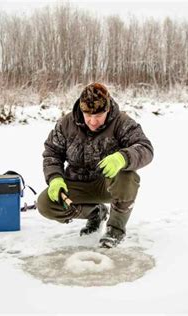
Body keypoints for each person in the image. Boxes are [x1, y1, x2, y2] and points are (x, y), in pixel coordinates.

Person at [38, 82, 154, 248]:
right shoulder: (66, 123)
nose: (93, 121)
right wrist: (55, 178)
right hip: (77, 183)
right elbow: (52, 153)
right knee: (45, 204)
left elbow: (145, 148)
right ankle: (95, 213)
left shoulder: (122, 122)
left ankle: (115, 230)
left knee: (128, 176)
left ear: (107, 109)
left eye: (98, 116)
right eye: (88, 116)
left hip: (107, 185)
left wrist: (123, 158)